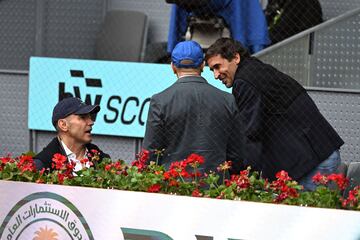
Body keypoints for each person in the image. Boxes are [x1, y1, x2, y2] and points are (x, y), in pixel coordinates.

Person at [205, 37, 344, 191]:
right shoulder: (255, 70)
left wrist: (243, 177)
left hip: (312, 163)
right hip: (318, 154)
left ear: (236, 58)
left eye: (218, 66)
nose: (216, 75)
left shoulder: (244, 81)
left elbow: (251, 134)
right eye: (212, 70)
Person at [143, 40, 244, 174]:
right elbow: (236, 151)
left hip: (173, 185)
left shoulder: (160, 101)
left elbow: (150, 152)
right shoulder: (227, 99)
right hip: (215, 185)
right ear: (202, 65)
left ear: (173, 67)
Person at [34, 97, 110, 171]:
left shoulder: (102, 160)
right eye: (83, 117)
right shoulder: (42, 165)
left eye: (90, 117)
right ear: (63, 125)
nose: (91, 122)